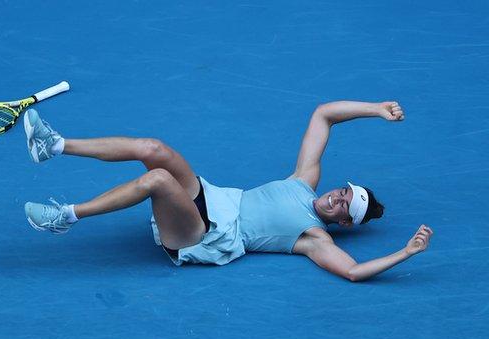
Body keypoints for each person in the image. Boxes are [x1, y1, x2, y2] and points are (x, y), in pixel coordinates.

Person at [23, 101, 433, 281]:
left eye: (343, 205)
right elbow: (324, 115)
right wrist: (376, 110)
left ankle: (66, 217)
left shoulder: (313, 238)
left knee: (158, 180)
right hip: (208, 197)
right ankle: (54, 145)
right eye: (342, 191)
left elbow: (353, 272)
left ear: (343, 222)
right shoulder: (302, 181)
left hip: (201, 235)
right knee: (153, 149)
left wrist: (407, 252)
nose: (336, 197)